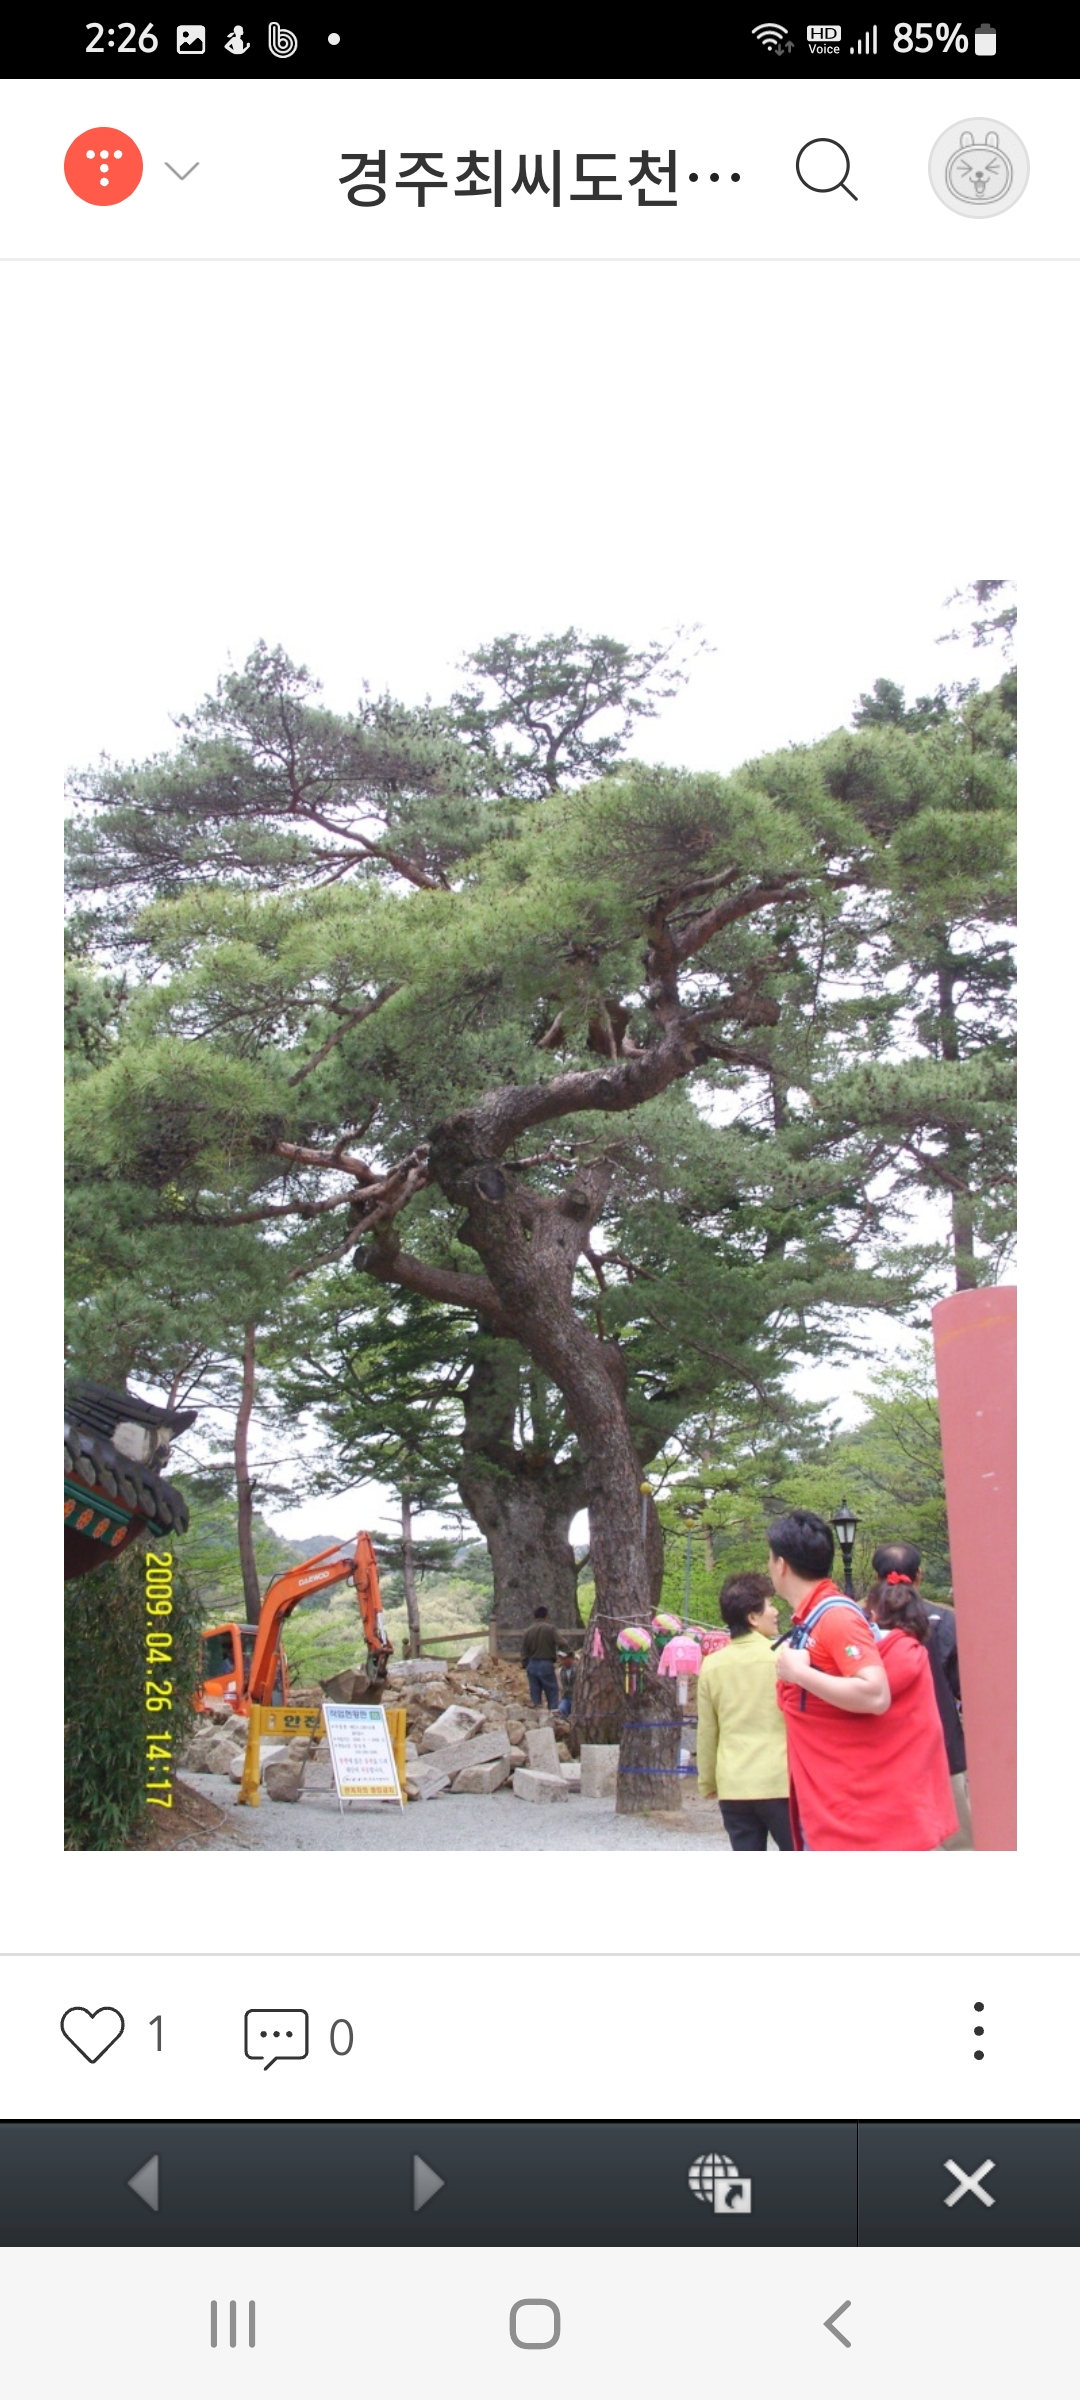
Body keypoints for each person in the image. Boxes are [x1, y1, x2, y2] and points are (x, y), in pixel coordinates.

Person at [770, 1509, 957, 1850]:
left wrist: (799, 1674)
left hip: (846, 1814)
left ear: (781, 1564)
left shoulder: (836, 1617)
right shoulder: (817, 1616)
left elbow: (874, 1694)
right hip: (833, 1804)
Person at [871, 1540, 970, 1847]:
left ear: (877, 1578)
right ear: (919, 1576)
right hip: (943, 1748)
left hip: (883, 1755)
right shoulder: (944, 1620)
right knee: (958, 1844)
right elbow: (963, 1689)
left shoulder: (861, 1624)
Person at [697, 1571, 793, 1848]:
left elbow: (707, 1731)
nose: (775, 1611)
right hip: (780, 1781)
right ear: (752, 1617)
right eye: (770, 1604)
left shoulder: (711, 1665)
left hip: (734, 1785)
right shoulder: (785, 1659)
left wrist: (707, 1781)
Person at [519, 1605, 560, 1712]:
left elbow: (523, 1651)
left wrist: (525, 1664)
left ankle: (537, 1715)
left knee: (535, 1693)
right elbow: (561, 1642)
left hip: (532, 1664)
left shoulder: (528, 1631)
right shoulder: (550, 1629)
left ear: (534, 1616)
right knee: (552, 1691)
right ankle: (553, 1714)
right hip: (546, 1663)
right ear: (546, 1616)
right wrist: (569, 1654)